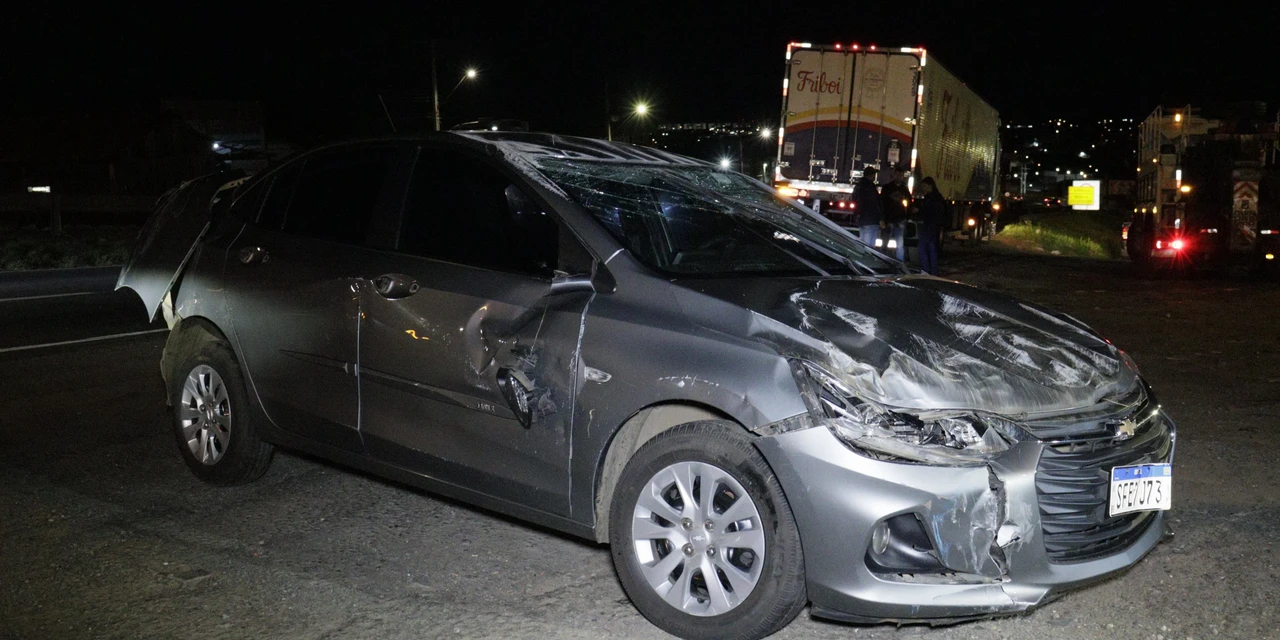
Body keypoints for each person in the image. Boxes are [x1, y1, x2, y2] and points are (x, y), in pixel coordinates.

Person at [915, 177, 946, 275]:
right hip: (934, 225)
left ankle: (925, 269)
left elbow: (929, 211)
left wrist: (918, 211)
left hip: (929, 225)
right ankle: (934, 271)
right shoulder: (937, 197)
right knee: (932, 248)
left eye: (924, 186)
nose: (923, 188)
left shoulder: (931, 198)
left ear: (930, 186)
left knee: (922, 247)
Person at [881, 168, 910, 261]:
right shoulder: (887, 188)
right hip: (889, 220)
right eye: (897, 175)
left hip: (899, 220)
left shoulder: (904, 189)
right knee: (885, 244)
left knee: (899, 245)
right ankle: (883, 262)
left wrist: (906, 218)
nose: (899, 177)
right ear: (894, 175)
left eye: (901, 175)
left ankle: (899, 265)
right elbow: (882, 204)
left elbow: (909, 204)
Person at [853, 173, 882, 249]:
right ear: (870, 175)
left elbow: (854, 200)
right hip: (871, 218)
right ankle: (866, 259)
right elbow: (875, 203)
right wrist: (881, 217)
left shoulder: (858, 186)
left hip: (862, 218)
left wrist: (857, 214)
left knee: (862, 242)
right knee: (869, 245)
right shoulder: (870, 187)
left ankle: (859, 258)